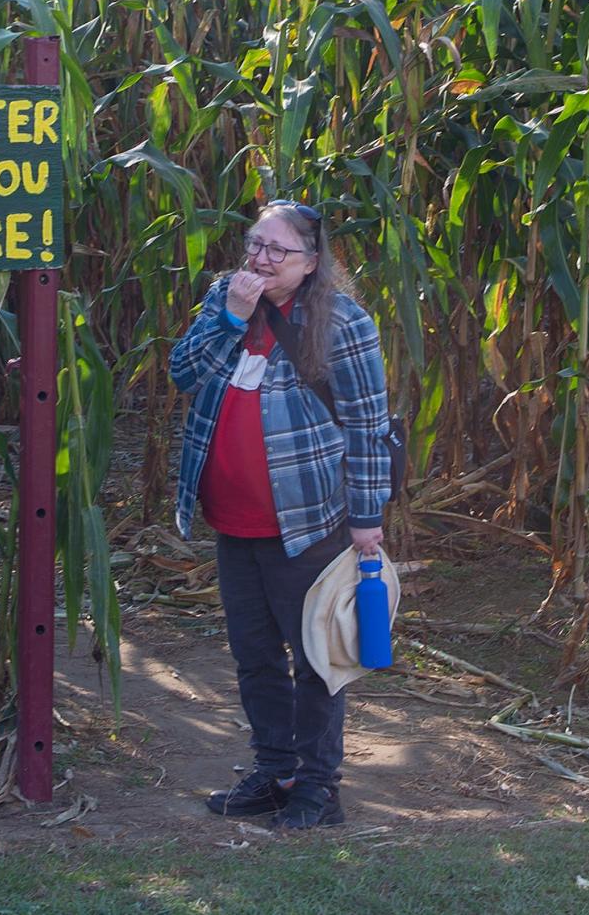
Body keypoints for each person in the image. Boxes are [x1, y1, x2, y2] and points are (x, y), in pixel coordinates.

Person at [169, 200, 392, 830]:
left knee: (317, 656)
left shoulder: (342, 321)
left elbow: (368, 425)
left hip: (307, 520)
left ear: (312, 263)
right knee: (254, 656)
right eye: (254, 245)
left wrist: (366, 516)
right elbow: (184, 373)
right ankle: (276, 772)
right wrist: (230, 316)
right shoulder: (227, 299)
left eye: (278, 251)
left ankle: (319, 788)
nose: (260, 260)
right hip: (231, 519)